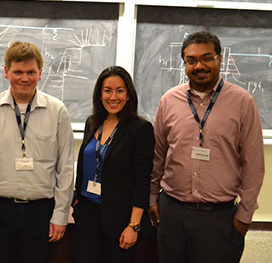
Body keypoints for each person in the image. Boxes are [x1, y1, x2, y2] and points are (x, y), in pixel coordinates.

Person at [149, 31, 265, 263]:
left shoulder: (243, 103)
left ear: (220, 59)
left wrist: (244, 216)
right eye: (191, 60)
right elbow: (158, 154)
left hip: (219, 218)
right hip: (172, 212)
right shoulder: (169, 101)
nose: (199, 65)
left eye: (206, 58)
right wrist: (152, 197)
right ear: (184, 63)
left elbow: (253, 163)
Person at [0, 41, 75, 263]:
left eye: (30, 72)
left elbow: (65, 167)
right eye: (18, 72)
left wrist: (60, 215)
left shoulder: (57, 111)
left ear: (40, 73)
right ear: (6, 72)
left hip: (41, 212)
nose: (24, 78)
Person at [72, 66, 155, 262]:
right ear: (100, 95)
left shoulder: (140, 129)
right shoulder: (92, 123)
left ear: (128, 95)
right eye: (107, 90)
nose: (113, 97)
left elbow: (142, 180)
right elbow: (85, 165)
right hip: (87, 216)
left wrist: (133, 225)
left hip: (120, 220)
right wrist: (77, 200)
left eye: (120, 90)